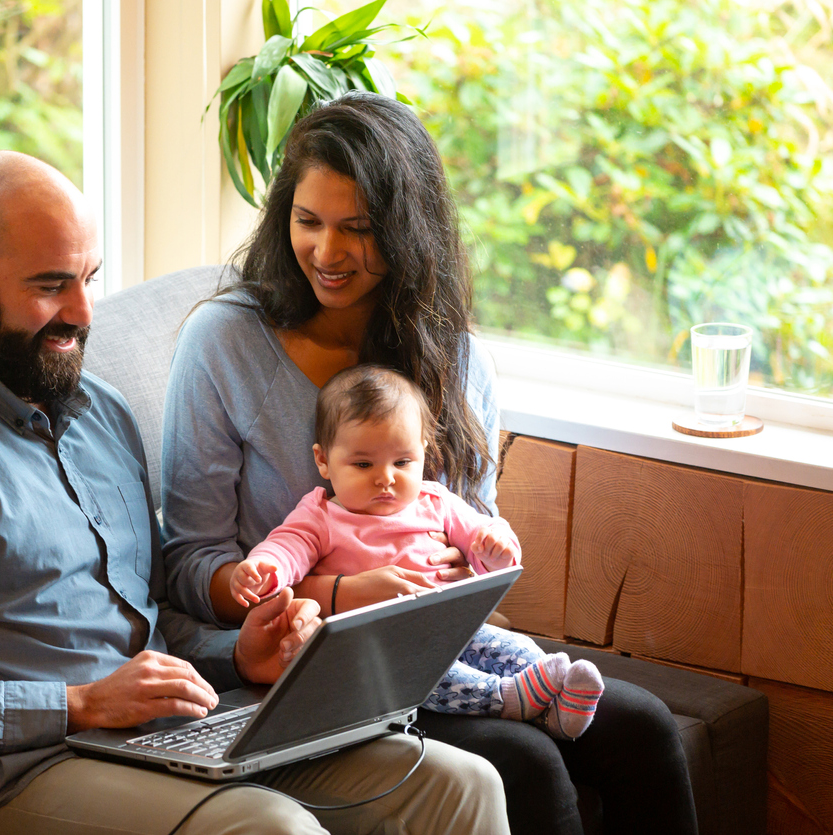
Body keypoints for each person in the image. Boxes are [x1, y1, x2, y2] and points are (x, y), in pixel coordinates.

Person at [0, 150, 509, 835]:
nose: (82, 313)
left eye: (89, 278)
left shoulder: (97, 412)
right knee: (269, 827)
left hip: (172, 734)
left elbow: (143, 619)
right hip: (16, 776)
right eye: (51, 285)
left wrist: (237, 654)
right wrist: (77, 703)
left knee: (457, 784)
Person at [161, 92, 699, 835]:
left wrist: (479, 555)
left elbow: (470, 529)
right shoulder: (224, 345)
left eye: (356, 229)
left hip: (440, 641)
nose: (325, 252)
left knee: (641, 725)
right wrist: (330, 590)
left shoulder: (451, 352)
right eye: (307, 221)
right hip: (312, 662)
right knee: (526, 762)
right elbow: (188, 563)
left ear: (408, 231)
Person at [216, 363, 604, 740]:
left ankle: (557, 705)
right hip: (384, 649)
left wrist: (497, 548)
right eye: (363, 463)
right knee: (436, 675)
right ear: (324, 460)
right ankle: (504, 699)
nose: (386, 478)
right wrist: (264, 567)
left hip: (454, 624)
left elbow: (483, 535)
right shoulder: (321, 515)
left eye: (402, 462)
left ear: (423, 452)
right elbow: (287, 548)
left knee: (518, 649)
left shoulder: (435, 501)